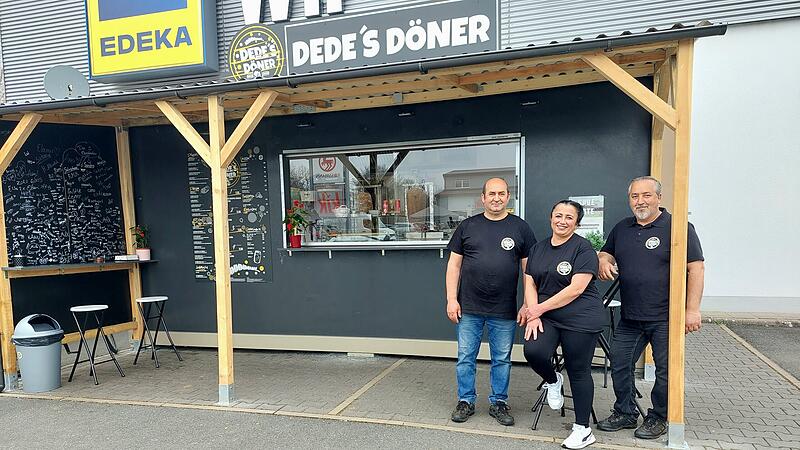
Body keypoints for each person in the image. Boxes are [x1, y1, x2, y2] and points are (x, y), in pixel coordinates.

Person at [596, 176, 705, 439]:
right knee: (620, 363)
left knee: (666, 371)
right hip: (631, 316)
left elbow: (696, 268)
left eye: (646, 195)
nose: (640, 201)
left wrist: (692, 310)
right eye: (635, 196)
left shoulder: (678, 227)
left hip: (666, 316)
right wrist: (602, 259)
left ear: (659, 197)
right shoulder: (622, 228)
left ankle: (659, 417)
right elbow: (606, 252)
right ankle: (625, 412)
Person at [446, 177, 537, 427]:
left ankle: (498, 402)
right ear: (483, 198)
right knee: (466, 357)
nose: (496, 198)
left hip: (504, 309)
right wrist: (451, 299)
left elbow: (529, 272)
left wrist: (528, 304)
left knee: (502, 359)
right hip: (469, 307)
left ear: (508, 197)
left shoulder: (521, 228)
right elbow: (454, 266)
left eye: (501, 193)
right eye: (491, 194)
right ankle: (466, 401)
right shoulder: (467, 226)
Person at [523, 200, 606, 449]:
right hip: (548, 315)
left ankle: (583, 430)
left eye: (569, 217)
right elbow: (530, 283)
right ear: (550, 218)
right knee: (534, 351)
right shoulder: (538, 248)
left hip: (580, 317)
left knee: (579, 370)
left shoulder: (583, 249)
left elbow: (576, 289)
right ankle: (553, 380)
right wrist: (534, 313)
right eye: (558, 215)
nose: (562, 221)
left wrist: (538, 309)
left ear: (577, 223)